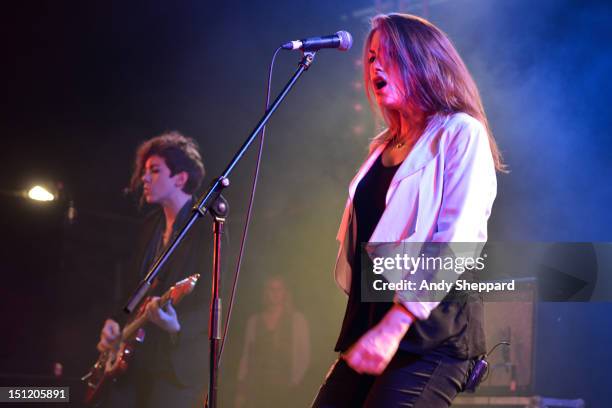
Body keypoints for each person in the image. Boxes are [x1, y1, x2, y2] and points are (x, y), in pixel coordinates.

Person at [312, 13, 503, 407]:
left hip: (430, 335)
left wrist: (395, 324)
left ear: (422, 61)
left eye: (389, 55)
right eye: (370, 58)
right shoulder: (382, 147)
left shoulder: (460, 133)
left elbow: (459, 239)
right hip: (374, 326)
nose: (375, 66)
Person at [96, 131, 210, 407]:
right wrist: (114, 319)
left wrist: (177, 326)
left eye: (154, 171)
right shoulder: (150, 225)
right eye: (145, 171)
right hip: (137, 357)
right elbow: (134, 285)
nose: (144, 178)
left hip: (173, 366)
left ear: (180, 178)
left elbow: (217, 296)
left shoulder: (205, 230)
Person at [235, 276, 311, 408]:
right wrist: (241, 389)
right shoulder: (254, 321)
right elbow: (247, 356)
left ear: (285, 292)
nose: (275, 293)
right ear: (265, 292)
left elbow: (304, 355)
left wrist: (294, 381)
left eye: (279, 289)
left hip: (286, 389)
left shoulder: (297, 320)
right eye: (271, 289)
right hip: (258, 388)